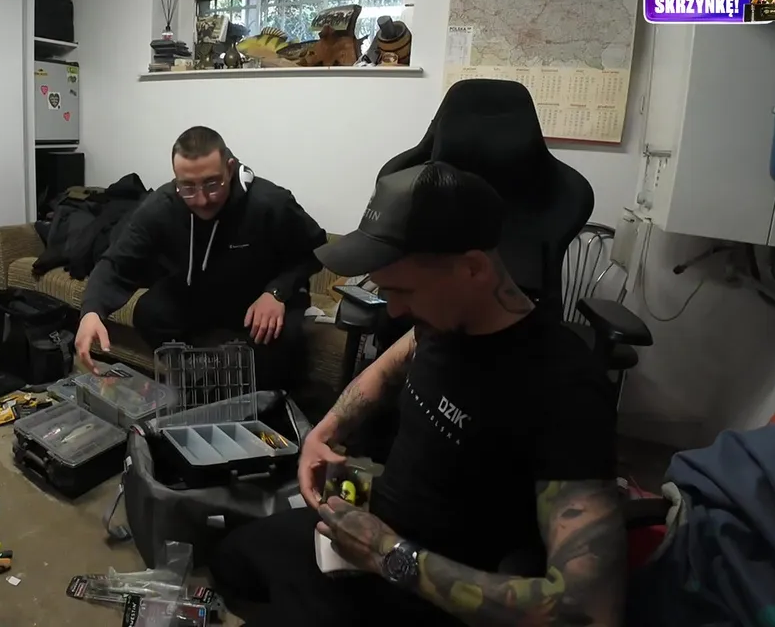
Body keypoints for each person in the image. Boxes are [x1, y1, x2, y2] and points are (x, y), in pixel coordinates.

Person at [210, 162, 625, 627]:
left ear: (473, 268)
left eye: (403, 291)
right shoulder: (443, 321)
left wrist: (388, 554)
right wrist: (325, 430)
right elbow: (392, 364)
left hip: (438, 587)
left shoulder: (566, 388)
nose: (394, 310)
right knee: (231, 562)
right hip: (375, 533)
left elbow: (587, 611)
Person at [75, 126, 327, 392]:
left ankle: (239, 389)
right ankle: (198, 380)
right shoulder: (161, 206)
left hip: (262, 298)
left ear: (230, 168)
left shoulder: (270, 202)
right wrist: (91, 312)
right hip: (204, 292)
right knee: (150, 311)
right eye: (188, 187)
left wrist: (277, 292)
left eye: (212, 184)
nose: (202, 199)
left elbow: (315, 250)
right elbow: (116, 263)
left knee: (277, 348)